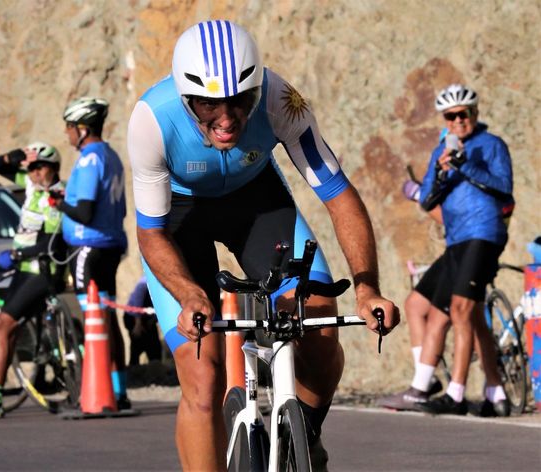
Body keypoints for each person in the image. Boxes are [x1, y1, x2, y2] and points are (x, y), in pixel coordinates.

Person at [127, 20, 399, 470]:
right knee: (203, 375)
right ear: (184, 97)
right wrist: (191, 294)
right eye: (209, 106)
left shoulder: (279, 99)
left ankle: (304, 436)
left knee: (319, 325)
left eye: (240, 101)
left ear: (257, 88)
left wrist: (367, 287)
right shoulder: (152, 120)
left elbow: (338, 195)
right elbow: (151, 232)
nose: (228, 119)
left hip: (255, 203)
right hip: (179, 216)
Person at [410, 84, 514, 416]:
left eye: (464, 114)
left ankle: (455, 394)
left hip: (483, 233)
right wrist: (442, 171)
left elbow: (503, 187)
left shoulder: (491, 145)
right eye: (451, 116)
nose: (458, 121)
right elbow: (426, 199)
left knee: (459, 310)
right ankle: (496, 393)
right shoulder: (440, 150)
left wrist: (465, 165)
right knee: (476, 317)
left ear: (475, 113)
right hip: (456, 239)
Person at [0, 142, 67, 418]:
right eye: (31, 168)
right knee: (5, 329)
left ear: (54, 168)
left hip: (40, 272)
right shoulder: (32, 186)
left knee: (0, 326)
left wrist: (17, 253)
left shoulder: (57, 196)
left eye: (40, 167)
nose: (34, 173)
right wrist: (19, 156)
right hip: (24, 269)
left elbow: (51, 245)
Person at [50, 97, 131, 409]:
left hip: (88, 244)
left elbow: (83, 211)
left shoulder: (87, 159)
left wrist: (60, 204)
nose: (68, 135)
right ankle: (118, 390)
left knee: (92, 319)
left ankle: (93, 392)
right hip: (110, 243)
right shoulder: (111, 155)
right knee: (107, 317)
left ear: (82, 129)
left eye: (70, 128)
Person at [123, 277, 163, 366]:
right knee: (138, 344)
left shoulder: (161, 285)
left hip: (148, 318)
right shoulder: (143, 283)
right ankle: (134, 369)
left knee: (154, 346)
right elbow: (138, 303)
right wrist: (137, 324)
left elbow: (160, 306)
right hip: (133, 318)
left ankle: (156, 368)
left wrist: (153, 320)